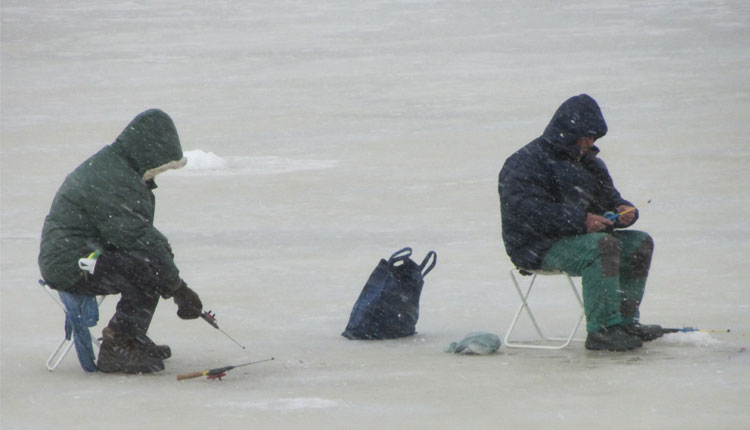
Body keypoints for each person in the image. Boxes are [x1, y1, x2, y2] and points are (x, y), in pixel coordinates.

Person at [39, 109, 204, 373]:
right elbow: (138, 240)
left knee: (153, 260)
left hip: (86, 254)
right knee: (146, 266)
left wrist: (169, 270)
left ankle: (132, 336)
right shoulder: (114, 178)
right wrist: (179, 290)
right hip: (71, 262)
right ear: (148, 152)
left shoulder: (119, 168)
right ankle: (119, 343)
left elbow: (140, 235)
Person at [498, 94, 662, 352]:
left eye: (594, 137)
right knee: (602, 247)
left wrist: (623, 210)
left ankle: (626, 322)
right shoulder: (525, 162)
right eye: (585, 135)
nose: (589, 142)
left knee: (640, 243)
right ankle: (603, 329)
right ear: (566, 131)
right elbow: (526, 211)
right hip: (536, 245)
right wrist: (580, 220)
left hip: (580, 239)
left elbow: (610, 199)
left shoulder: (592, 164)